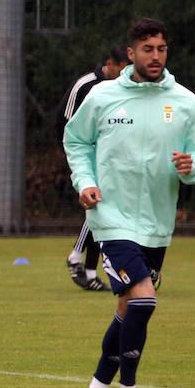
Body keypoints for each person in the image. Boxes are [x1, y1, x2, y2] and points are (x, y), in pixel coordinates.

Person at [65, 17, 195, 388]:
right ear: (130, 54)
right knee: (144, 300)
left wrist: (194, 167)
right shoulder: (102, 97)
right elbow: (76, 141)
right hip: (110, 219)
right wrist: (86, 182)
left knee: (128, 310)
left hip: (156, 222)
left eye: (162, 49)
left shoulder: (185, 102)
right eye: (147, 49)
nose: (156, 56)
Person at [61, 46, 129, 291]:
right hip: (84, 158)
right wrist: (75, 160)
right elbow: (67, 124)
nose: (124, 76)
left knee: (101, 208)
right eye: (120, 70)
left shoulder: (121, 90)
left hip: (106, 158)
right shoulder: (85, 85)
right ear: (110, 64)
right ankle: (77, 256)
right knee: (98, 207)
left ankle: (89, 272)